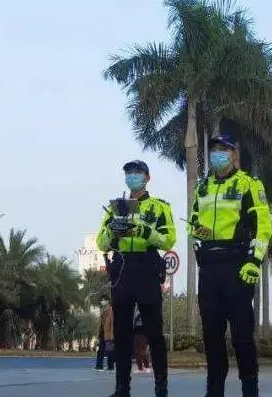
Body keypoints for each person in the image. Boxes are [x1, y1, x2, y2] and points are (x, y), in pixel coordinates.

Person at [189, 135, 272, 397]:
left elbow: (263, 226)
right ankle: (214, 391)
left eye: (223, 149)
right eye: (214, 149)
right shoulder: (202, 187)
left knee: (242, 336)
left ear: (234, 154)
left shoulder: (248, 184)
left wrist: (254, 261)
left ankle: (250, 390)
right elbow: (193, 222)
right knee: (212, 336)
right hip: (209, 269)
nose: (218, 154)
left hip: (237, 267)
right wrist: (197, 233)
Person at [97, 159, 176, 397]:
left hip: (147, 268)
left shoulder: (159, 207)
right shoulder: (115, 208)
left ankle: (161, 388)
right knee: (121, 333)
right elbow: (101, 242)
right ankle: (122, 388)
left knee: (154, 332)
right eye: (129, 173)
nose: (132, 176)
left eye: (137, 172)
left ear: (147, 178)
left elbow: (168, 240)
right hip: (122, 269)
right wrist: (112, 231)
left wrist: (145, 231)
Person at [96, 295, 115, 371]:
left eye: (104, 300)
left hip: (109, 333)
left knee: (109, 350)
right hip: (102, 332)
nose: (102, 301)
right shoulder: (102, 309)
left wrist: (112, 334)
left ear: (108, 301)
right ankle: (99, 366)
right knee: (100, 350)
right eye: (101, 300)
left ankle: (110, 367)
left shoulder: (111, 310)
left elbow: (112, 323)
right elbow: (100, 322)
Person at [133, 306, 151, 373]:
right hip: (136, 332)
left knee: (143, 351)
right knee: (137, 351)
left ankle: (147, 367)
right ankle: (140, 368)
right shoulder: (135, 309)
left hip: (144, 332)